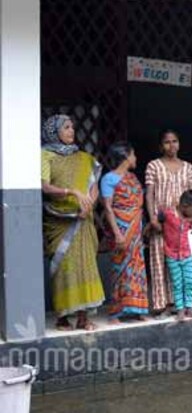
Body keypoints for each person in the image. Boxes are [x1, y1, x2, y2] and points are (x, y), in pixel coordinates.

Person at [40, 114, 104, 331]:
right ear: (54, 132)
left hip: (83, 219)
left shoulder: (84, 158)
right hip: (60, 220)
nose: (71, 131)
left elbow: (94, 186)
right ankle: (62, 317)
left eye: (72, 127)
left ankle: (84, 318)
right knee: (64, 267)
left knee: (86, 265)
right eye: (66, 127)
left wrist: (89, 204)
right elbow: (45, 187)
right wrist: (72, 192)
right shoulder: (45, 156)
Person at [145, 129, 192, 316]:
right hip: (162, 222)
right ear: (161, 146)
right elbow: (149, 194)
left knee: (187, 264)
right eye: (167, 142)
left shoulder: (188, 167)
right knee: (161, 262)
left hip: (183, 224)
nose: (171, 145)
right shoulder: (153, 166)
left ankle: (187, 304)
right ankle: (164, 304)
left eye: (174, 141)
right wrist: (152, 218)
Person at [100, 141, 149, 323]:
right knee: (120, 268)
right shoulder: (109, 179)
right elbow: (108, 208)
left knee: (137, 268)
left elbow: (138, 204)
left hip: (136, 230)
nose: (135, 158)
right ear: (126, 157)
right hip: (120, 229)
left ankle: (138, 309)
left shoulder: (133, 178)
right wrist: (117, 234)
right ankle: (116, 312)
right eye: (133, 154)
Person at [159, 190, 192, 321]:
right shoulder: (168, 214)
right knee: (177, 284)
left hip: (188, 255)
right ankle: (180, 309)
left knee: (190, 282)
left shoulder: (191, 218)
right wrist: (150, 228)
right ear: (184, 206)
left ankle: (189, 307)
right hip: (172, 255)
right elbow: (157, 220)